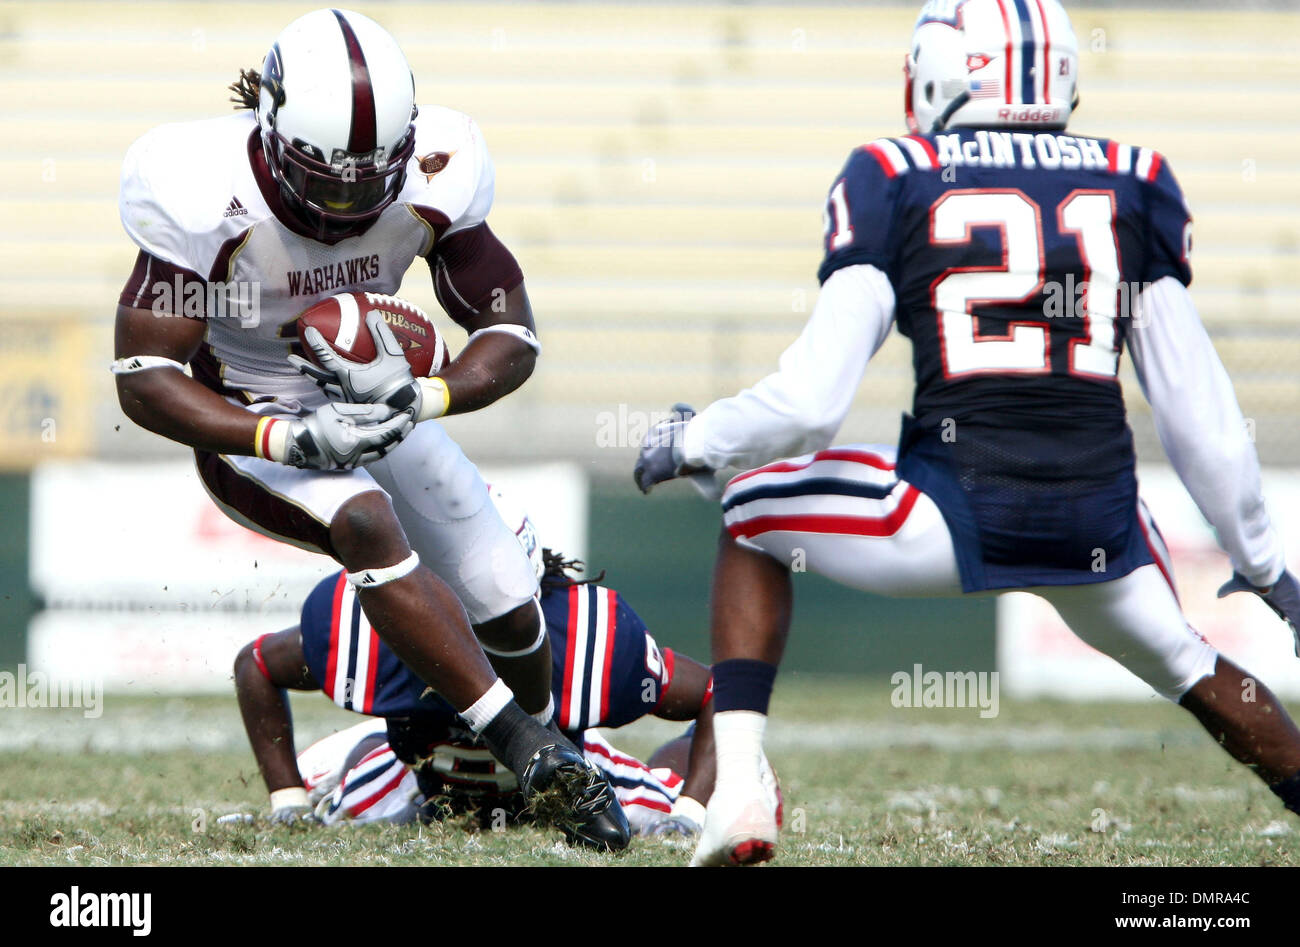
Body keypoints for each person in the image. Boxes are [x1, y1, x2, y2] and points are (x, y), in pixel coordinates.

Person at [635, 0, 1300, 866]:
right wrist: (1263, 564)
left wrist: (700, 442)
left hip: (951, 512)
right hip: (1098, 525)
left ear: (948, 71)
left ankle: (739, 790)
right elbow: (1201, 413)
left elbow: (808, 405)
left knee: (751, 508)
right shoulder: (1133, 178)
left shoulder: (894, 173)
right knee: (1192, 667)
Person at [114, 7, 626, 849]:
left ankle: (550, 764)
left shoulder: (438, 168)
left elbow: (512, 334)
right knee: (363, 522)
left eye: (369, 177)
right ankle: (525, 747)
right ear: (272, 131)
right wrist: (285, 441)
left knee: (506, 593)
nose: (349, 197)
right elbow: (145, 379)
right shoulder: (199, 187)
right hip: (254, 418)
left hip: (379, 397)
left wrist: (427, 398)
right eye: (329, 176)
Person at [235, 494, 733, 839]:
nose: (473, 611)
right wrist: (288, 800)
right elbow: (256, 663)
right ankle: (351, 755)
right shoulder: (363, 623)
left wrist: (688, 812)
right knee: (336, 793)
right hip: (418, 786)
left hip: (572, 784)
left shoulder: (589, 641)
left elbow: (719, 692)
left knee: (694, 803)